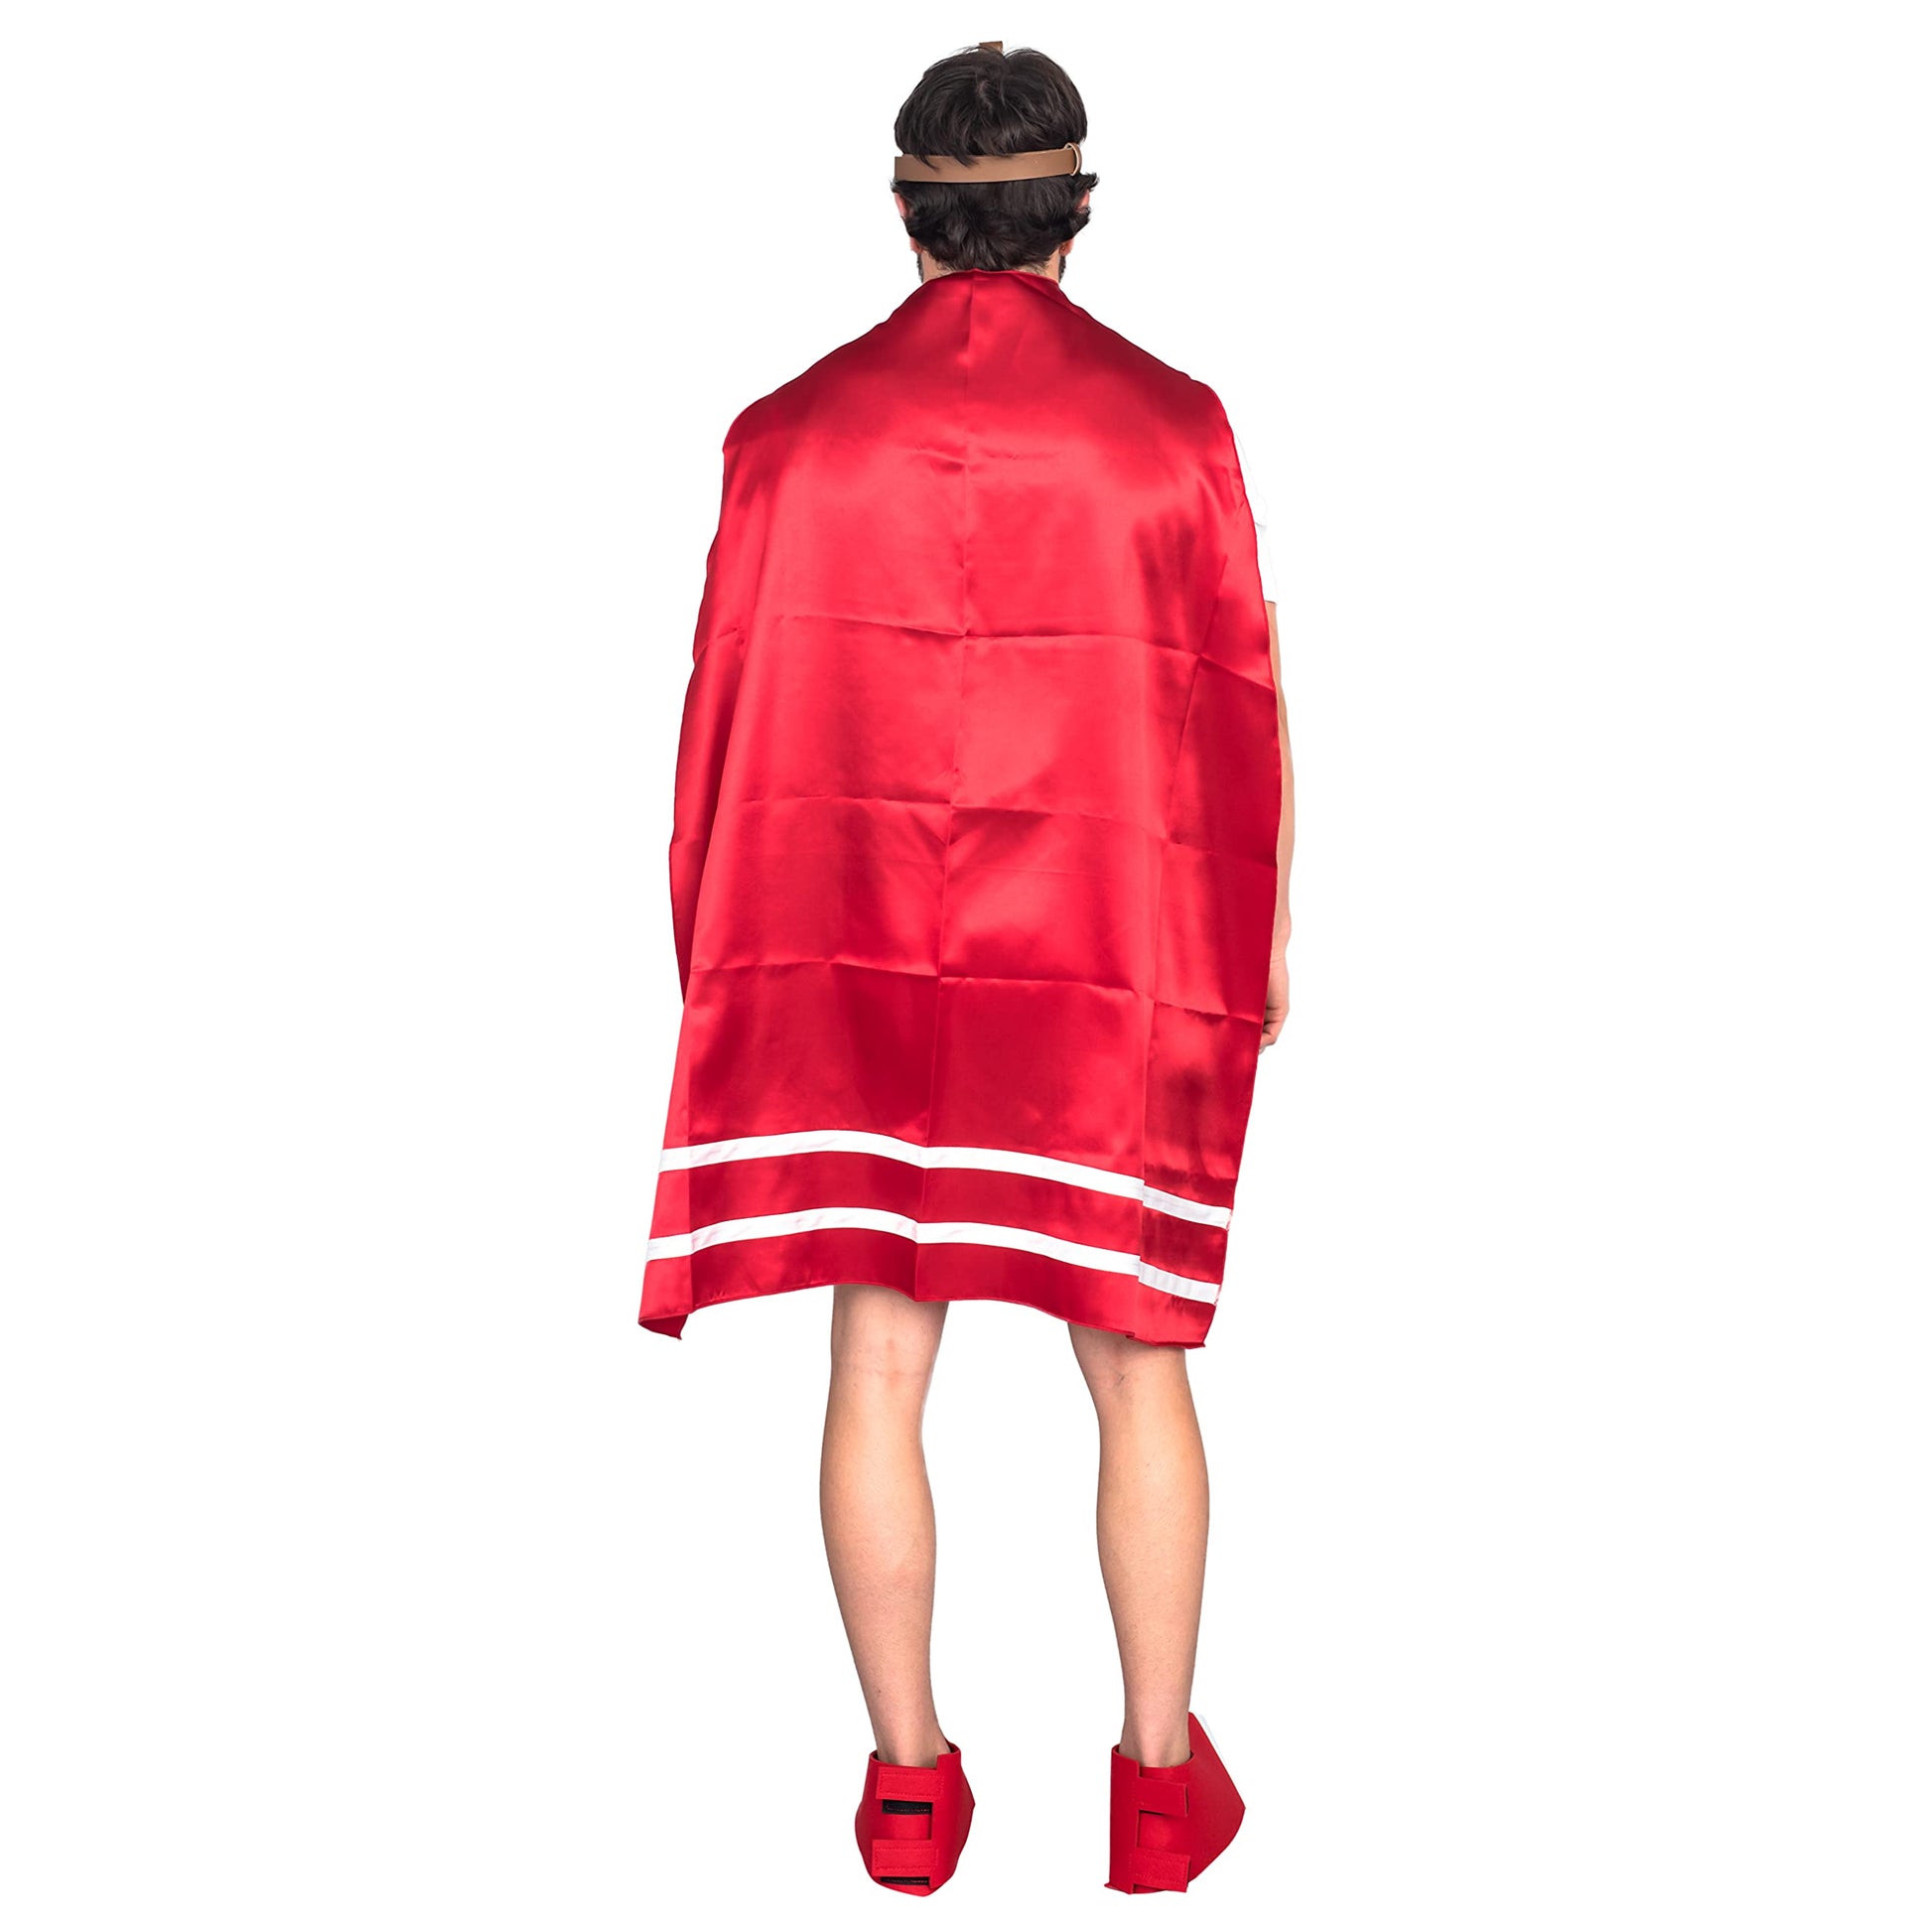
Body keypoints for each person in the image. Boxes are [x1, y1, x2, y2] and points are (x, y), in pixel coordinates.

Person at [639, 44, 1295, 1896]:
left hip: (854, 944)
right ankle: (1155, 1790)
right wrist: (1256, 943)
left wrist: (720, 953)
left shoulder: (784, 436)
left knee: (876, 1345)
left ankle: (908, 1790)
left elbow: (721, 713)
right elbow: (1239, 699)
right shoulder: (1173, 429)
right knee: (1137, 1352)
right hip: (1107, 957)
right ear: (1077, 213)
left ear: (906, 210)